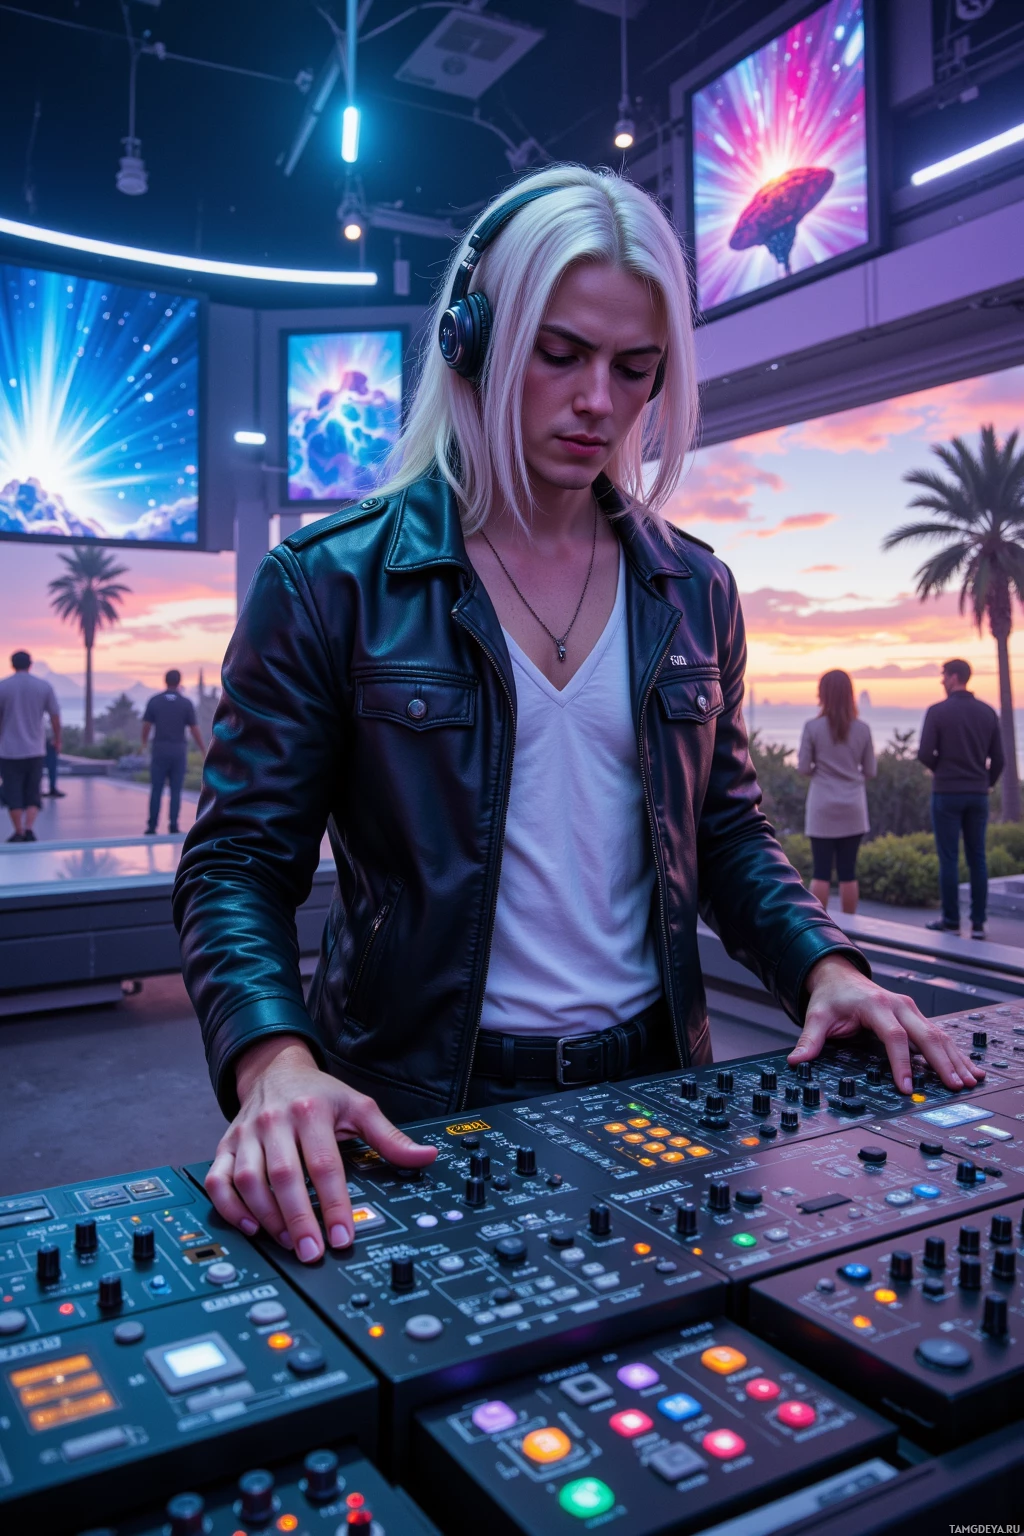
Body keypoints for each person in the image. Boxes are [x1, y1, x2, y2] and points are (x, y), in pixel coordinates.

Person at [174, 167, 983, 1267]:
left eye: (632, 368)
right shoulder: (328, 583)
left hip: (661, 1087)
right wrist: (271, 1059)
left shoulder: (695, 591)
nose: (598, 400)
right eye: (559, 354)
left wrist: (825, 966)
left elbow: (727, 830)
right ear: (473, 341)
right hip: (416, 1101)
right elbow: (234, 864)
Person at [919, 658, 1003, 938]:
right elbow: (999, 760)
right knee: (977, 857)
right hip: (978, 795)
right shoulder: (988, 713)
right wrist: (985, 784)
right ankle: (978, 923)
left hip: (946, 793)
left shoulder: (937, 712)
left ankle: (952, 921)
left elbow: (923, 753)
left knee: (949, 858)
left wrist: (940, 770)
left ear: (954, 677)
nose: (942, 681)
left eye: (943, 676)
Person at [798, 670, 876, 915]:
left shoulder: (812, 727)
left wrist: (821, 771)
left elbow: (803, 767)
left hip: (822, 805)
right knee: (848, 873)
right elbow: (871, 770)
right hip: (853, 806)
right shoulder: (863, 729)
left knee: (821, 872)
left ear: (822, 693)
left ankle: (820, 930)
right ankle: (849, 930)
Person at [0, 651, 61, 843]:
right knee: (33, 790)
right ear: (30, 664)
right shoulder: (43, 686)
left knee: (13, 791)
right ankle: (29, 828)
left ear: (12, 664)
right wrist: (57, 738)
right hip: (35, 749)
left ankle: (18, 831)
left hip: (8, 750)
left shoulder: (3, 687)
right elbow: (55, 715)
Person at [141, 670, 205, 835]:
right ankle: (173, 825)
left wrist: (143, 744)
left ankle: (152, 826)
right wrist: (203, 748)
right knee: (176, 789)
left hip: (159, 750)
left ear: (165, 681)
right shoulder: (185, 703)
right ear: (179, 682)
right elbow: (194, 729)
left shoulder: (154, 701)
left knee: (156, 788)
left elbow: (147, 726)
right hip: (178, 751)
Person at [43, 718, 65, 798]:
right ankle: (36, 790)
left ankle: (52, 788)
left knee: (52, 768)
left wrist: (57, 742)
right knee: (35, 769)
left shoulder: (49, 722)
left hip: (49, 744)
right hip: (38, 744)